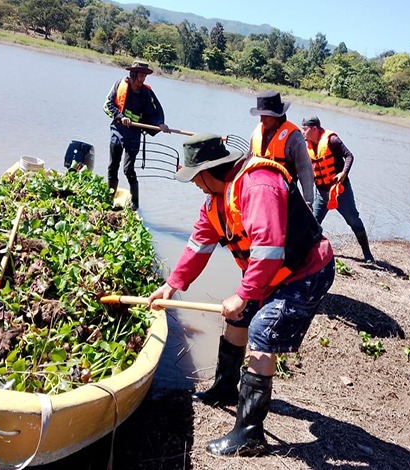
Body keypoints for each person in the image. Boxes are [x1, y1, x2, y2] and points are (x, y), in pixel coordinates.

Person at [147, 133, 336, 457]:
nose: (194, 184)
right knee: (237, 319)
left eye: (194, 177)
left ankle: (250, 434)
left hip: (306, 271)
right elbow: (198, 245)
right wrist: (173, 284)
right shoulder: (215, 200)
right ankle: (224, 389)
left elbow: (270, 248)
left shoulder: (259, 186)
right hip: (272, 273)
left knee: (262, 332)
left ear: (208, 171)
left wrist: (244, 293)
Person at [301, 115, 375, 263]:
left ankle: (367, 254)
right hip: (322, 193)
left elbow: (349, 156)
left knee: (354, 220)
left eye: (305, 129)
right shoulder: (306, 144)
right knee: (313, 222)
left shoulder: (332, 140)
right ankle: (306, 255)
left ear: (314, 128)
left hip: (340, 191)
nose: (302, 132)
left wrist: (344, 172)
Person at [103, 60, 169, 210]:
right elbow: (107, 105)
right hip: (118, 131)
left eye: (144, 76)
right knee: (113, 166)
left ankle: (135, 204)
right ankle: (108, 200)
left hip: (134, 133)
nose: (142, 79)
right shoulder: (120, 85)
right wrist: (120, 117)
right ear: (133, 74)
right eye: (140, 76)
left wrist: (160, 124)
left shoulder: (146, 93)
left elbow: (155, 112)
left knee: (128, 169)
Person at [249, 91, 314, 205]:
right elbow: (248, 159)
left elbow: (305, 171)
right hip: (257, 193)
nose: (261, 120)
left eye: (265, 116)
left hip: (282, 196)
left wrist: (308, 202)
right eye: (261, 115)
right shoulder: (257, 132)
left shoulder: (294, 138)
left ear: (276, 115)